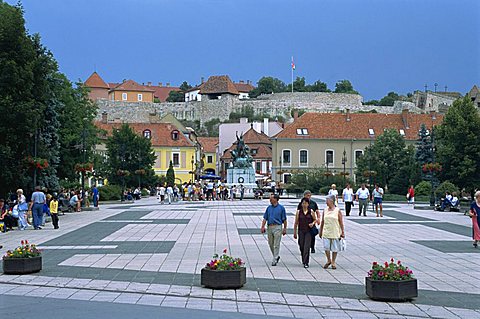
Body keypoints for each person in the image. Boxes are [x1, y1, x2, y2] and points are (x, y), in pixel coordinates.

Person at [319, 194, 345, 270]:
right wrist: (320, 231)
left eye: (327, 200)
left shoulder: (337, 210)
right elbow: (322, 221)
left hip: (335, 230)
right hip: (326, 230)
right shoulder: (325, 210)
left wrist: (342, 232)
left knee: (335, 247)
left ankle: (333, 261)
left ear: (332, 201)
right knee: (326, 247)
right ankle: (328, 260)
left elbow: (341, 222)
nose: (326, 202)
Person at [260, 194, 287, 266]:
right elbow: (265, 218)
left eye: (271, 198)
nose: (270, 200)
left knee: (276, 244)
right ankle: (276, 256)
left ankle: (274, 259)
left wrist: (284, 228)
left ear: (276, 199)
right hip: (270, 226)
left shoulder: (281, 208)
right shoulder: (269, 208)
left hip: (277, 226)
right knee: (270, 243)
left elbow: (284, 219)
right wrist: (262, 226)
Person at [294, 198, 316, 268]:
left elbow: (315, 219)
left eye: (306, 203)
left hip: (308, 231)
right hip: (301, 230)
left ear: (308, 204)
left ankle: (306, 262)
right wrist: (295, 232)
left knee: (307, 246)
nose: (304, 205)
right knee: (301, 245)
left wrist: (313, 223)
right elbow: (296, 222)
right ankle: (303, 258)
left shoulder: (311, 211)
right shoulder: (298, 212)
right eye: (303, 203)